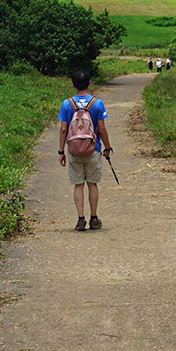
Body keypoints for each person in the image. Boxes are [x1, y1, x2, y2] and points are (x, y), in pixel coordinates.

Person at [57, 70, 112, 231]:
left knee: (78, 185)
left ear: (73, 85)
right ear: (89, 83)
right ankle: (94, 218)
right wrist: (107, 147)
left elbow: (63, 129)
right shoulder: (97, 103)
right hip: (92, 149)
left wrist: (61, 151)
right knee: (92, 184)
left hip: (74, 151)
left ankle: (80, 219)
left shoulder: (67, 104)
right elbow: (101, 129)